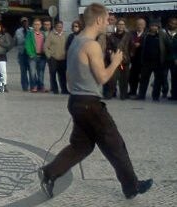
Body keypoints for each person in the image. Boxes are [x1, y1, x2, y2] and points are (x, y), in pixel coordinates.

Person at [38, 3, 153, 199]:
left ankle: (49, 172)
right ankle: (131, 187)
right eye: (108, 18)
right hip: (90, 105)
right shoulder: (91, 45)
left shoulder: (75, 41)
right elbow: (102, 77)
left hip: (76, 101)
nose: (109, 22)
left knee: (81, 146)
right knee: (115, 145)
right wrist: (116, 62)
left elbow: (68, 75)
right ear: (99, 20)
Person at [135, 20, 171, 101]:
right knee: (143, 79)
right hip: (146, 62)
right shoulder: (146, 35)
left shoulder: (162, 35)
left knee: (157, 81)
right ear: (149, 26)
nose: (154, 27)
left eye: (156, 26)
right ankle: (141, 95)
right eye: (152, 26)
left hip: (158, 62)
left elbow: (168, 45)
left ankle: (155, 96)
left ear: (158, 27)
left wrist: (166, 59)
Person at [106, 19, 131, 100]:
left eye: (123, 24)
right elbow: (108, 47)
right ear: (116, 26)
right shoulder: (112, 36)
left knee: (124, 78)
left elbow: (132, 47)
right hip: (115, 61)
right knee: (113, 78)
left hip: (124, 61)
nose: (121, 26)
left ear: (125, 26)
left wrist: (128, 55)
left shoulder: (128, 36)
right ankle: (110, 93)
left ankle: (123, 94)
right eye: (119, 24)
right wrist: (110, 53)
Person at [44, 21, 69, 94]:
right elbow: (46, 46)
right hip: (53, 58)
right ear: (55, 27)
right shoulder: (51, 35)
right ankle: (55, 89)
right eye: (58, 27)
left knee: (63, 75)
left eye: (61, 27)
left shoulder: (65, 35)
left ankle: (64, 90)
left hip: (63, 59)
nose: (59, 28)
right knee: (53, 74)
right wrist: (49, 56)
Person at [25, 18, 47, 93]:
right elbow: (27, 44)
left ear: (41, 25)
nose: (36, 26)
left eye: (38, 24)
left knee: (41, 72)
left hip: (42, 56)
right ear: (33, 25)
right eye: (35, 24)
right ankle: (34, 86)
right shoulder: (29, 33)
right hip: (33, 56)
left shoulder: (43, 34)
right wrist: (30, 54)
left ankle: (41, 86)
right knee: (32, 72)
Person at [128, 18, 146, 97]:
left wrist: (140, 45)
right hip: (133, 58)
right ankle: (133, 91)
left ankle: (141, 93)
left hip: (143, 58)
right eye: (138, 24)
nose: (139, 26)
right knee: (132, 76)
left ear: (144, 26)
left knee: (143, 77)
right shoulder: (131, 34)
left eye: (141, 24)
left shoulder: (147, 34)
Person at [14, 17, 32, 91]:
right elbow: (16, 41)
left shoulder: (32, 30)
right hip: (22, 53)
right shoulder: (18, 31)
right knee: (23, 71)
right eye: (23, 22)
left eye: (26, 22)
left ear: (28, 22)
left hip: (30, 54)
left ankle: (33, 85)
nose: (25, 23)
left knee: (32, 71)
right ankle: (25, 86)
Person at [167, 17, 177, 101]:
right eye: (171, 23)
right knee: (163, 77)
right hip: (165, 58)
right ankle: (165, 92)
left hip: (175, 59)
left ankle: (174, 94)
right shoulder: (164, 32)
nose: (173, 25)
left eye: (175, 23)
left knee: (175, 78)